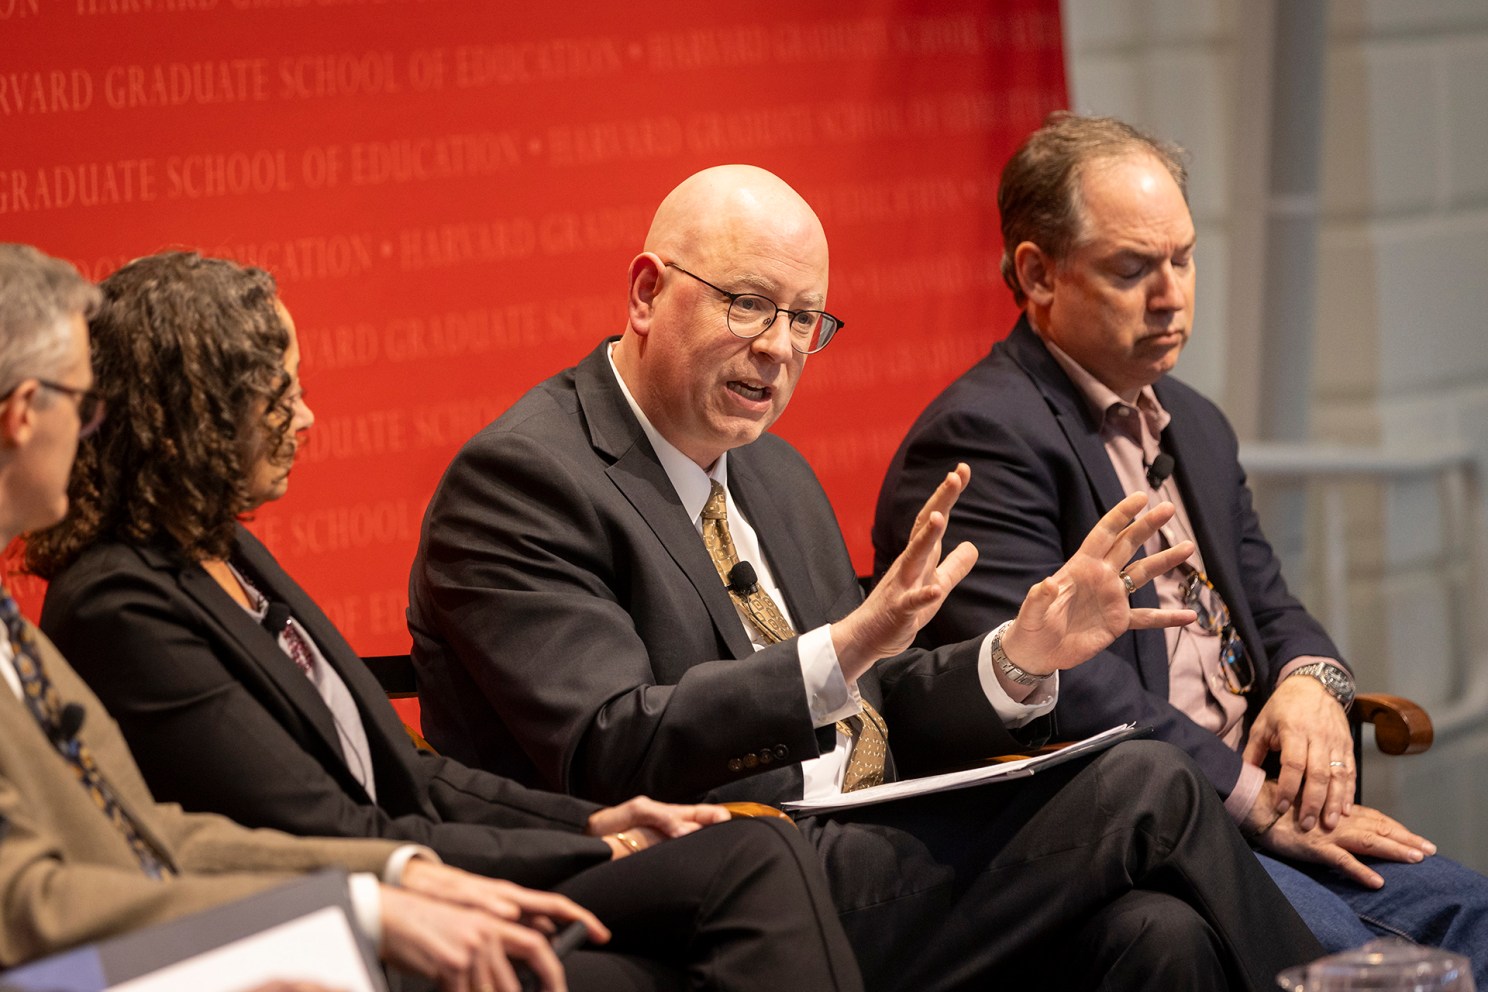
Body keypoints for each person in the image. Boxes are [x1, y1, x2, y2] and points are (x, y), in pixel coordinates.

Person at [404, 163, 1327, 991]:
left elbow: (874, 699)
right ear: (647, 293)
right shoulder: (525, 481)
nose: (779, 347)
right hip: (710, 886)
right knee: (1147, 784)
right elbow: (608, 745)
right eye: (747, 303)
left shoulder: (773, 473)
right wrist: (842, 647)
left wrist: (1017, 655)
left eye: (805, 318)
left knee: (1158, 938)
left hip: (858, 855)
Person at [27, 250, 865, 992]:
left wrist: (598, 823)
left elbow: (413, 774)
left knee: (740, 870)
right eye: (278, 397)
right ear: (188, 420)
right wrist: (586, 853)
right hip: (350, 912)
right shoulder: (119, 603)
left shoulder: (228, 554)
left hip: (420, 870)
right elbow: (329, 828)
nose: (307, 419)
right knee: (742, 872)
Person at [872, 112, 1488, 975]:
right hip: (1150, 831)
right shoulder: (984, 437)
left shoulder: (1194, 423)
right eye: (1132, 270)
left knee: (1475, 914)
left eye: (1183, 259)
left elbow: (1271, 604)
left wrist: (1315, 683)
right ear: (1037, 275)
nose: (1172, 296)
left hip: (1265, 813)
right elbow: (1055, 691)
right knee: (1365, 959)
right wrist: (1254, 803)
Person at [0, 242, 623, 992]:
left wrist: (395, 879)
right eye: (83, 401)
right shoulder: (114, 601)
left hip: (284, 923)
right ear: (24, 415)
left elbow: (158, 833)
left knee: (747, 871)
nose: (94, 427)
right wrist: (354, 908)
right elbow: (33, 904)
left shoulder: (50, 618)